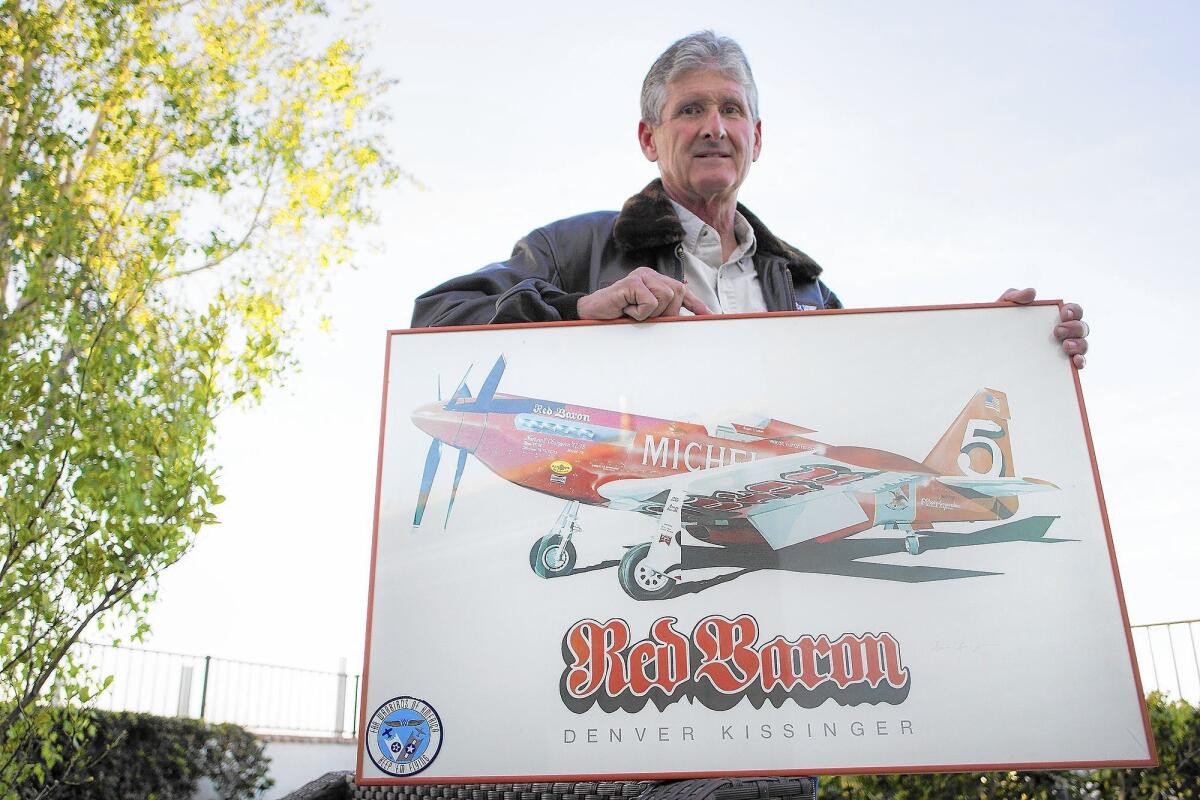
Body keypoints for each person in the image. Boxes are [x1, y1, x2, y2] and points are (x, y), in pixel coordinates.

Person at [411, 31, 1089, 367]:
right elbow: (436, 320)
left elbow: (876, 404)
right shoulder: (574, 248)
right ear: (649, 138)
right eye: (690, 110)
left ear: (756, 138)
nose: (713, 126)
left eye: (731, 109)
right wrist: (579, 309)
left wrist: (1001, 348)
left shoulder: (808, 291)